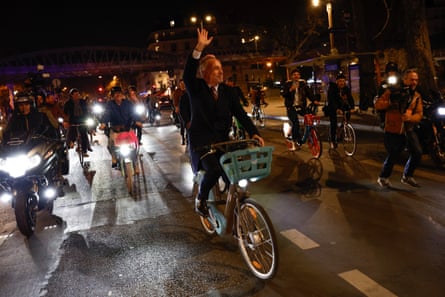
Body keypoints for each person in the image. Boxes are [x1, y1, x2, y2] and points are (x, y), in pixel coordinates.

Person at [183, 27, 265, 217]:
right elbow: (188, 73)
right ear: (204, 72)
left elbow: (240, 114)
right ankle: (201, 199)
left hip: (223, 141)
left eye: (221, 68)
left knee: (238, 168)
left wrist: (254, 133)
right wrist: (198, 48)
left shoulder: (228, 92)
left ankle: (237, 205)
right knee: (214, 169)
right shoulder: (196, 88)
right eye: (216, 68)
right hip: (202, 144)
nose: (221, 71)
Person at [374, 67, 423, 188]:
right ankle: (383, 177)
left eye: (416, 80)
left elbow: (419, 113)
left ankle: (407, 176)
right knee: (394, 154)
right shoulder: (392, 91)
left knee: (417, 152)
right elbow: (378, 105)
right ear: (405, 79)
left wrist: (411, 118)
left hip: (408, 128)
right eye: (412, 79)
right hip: (394, 128)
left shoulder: (416, 95)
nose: (414, 82)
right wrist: (390, 102)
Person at [99, 86, 143, 171]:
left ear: (122, 95)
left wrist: (137, 121)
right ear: (112, 96)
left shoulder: (128, 103)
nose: (118, 95)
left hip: (128, 128)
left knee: (134, 145)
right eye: (115, 94)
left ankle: (135, 163)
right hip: (115, 129)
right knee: (110, 145)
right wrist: (103, 123)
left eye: (119, 93)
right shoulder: (110, 104)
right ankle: (114, 158)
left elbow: (133, 113)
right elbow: (106, 114)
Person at [281, 69, 319, 148]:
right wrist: (290, 89)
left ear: (299, 76)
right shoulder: (288, 84)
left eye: (298, 74)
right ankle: (296, 139)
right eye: (294, 74)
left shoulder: (303, 84)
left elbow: (309, 93)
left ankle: (309, 132)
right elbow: (283, 94)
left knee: (309, 116)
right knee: (296, 123)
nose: (296, 76)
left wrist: (314, 100)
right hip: (291, 107)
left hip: (301, 106)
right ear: (292, 76)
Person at [327, 72, 355, 148]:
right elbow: (331, 100)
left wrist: (352, 107)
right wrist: (337, 109)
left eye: (343, 81)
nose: (342, 83)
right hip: (333, 107)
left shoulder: (346, 89)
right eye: (340, 81)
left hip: (342, 106)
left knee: (347, 114)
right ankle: (332, 140)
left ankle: (342, 129)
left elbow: (350, 98)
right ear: (337, 82)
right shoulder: (332, 89)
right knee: (333, 122)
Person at [63, 88, 92, 157]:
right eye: (75, 94)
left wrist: (88, 118)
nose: (77, 96)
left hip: (82, 120)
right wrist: (66, 121)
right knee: (71, 133)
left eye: (78, 94)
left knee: (84, 135)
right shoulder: (68, 103)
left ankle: (84, 151)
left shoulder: (82, 102)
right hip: (73, 121)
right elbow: (65, 113)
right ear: (71, 95)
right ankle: (70, 143)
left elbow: (86, 111)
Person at [172, 79, 187, 145]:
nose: (182, 85)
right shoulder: (177, 92)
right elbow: (175, 101)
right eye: (181, 84)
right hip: (181, 111)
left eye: (183, 84)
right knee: (183, 124)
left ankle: (187, 138)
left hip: (188, 110)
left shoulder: (187, 91)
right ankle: (183, 138)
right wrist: (176, 107)